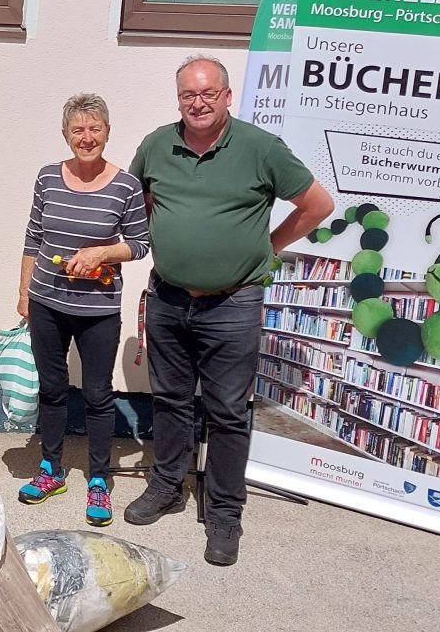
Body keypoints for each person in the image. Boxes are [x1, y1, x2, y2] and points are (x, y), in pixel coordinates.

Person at [125, 55, 334, 566]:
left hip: (233, 304)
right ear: (178, 98)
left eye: (208, 93)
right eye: (188, 95)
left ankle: (222, 512)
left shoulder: (261, 148)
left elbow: (318, 205)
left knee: (227, 412)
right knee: (170, 401)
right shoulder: (157, 145)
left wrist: (268, 247)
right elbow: (139, 202)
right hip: (169, 297)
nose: (197, 103)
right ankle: (167, 486)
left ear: (226, 96)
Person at [14, 94, 151, 526]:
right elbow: (33, 237)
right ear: (65, 135)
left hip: (98, 309)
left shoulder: (126, 186)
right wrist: (24, 293)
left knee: (97, 393)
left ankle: (98, 479)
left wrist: (102, 253)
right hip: (46, 302)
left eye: (94, 129)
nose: (86, 137)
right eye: (78, 130)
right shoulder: (47, 178)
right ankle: (51, 469)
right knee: (52, 388)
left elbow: (140, 244)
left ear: (107, 132)